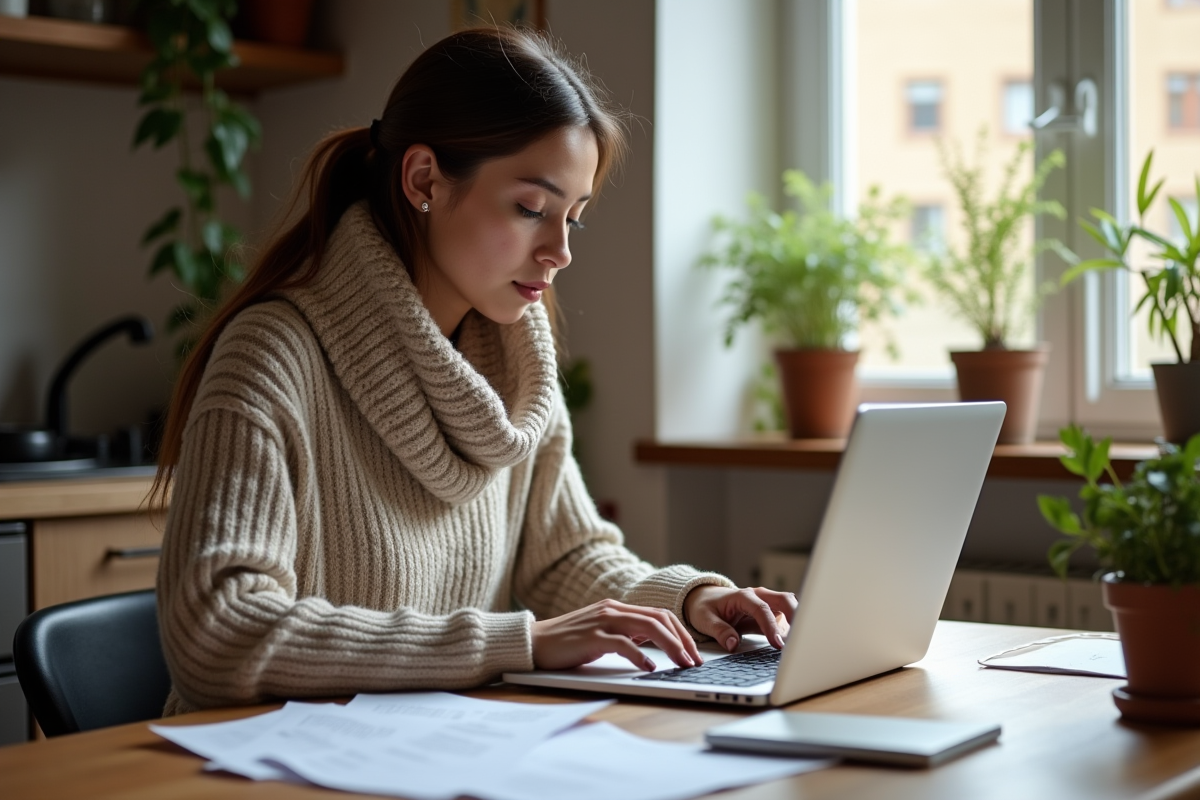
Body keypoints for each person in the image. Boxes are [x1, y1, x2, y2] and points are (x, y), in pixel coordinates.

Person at [153, 26, 796, 716]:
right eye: (530, 209)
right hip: (260, 770)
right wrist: (510, 644)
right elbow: (217, 630)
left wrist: (691, 599)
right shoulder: (272, 356)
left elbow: (563, 560)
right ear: (424, 179)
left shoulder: (519, 373)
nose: (559, 252)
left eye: (572, 220)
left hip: (433, 755)